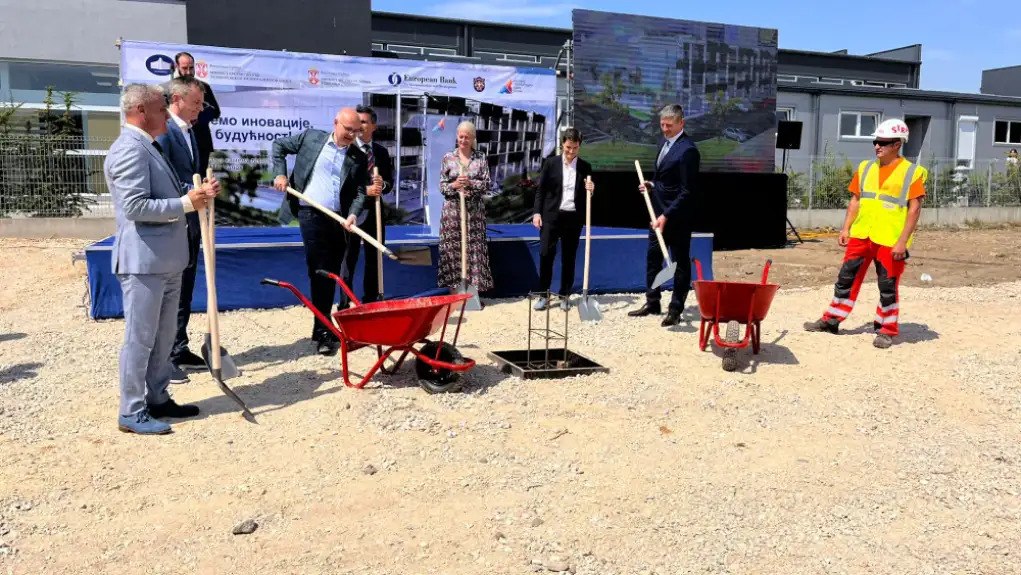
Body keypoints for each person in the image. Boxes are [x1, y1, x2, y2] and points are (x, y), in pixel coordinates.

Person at [104, 83, 219, 435]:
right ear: (140, 111)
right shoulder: (129, 149)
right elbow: (136, 207)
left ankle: (157, 397)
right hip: (144, 262)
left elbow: (159, 194)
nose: (166, 114)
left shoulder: (148, 145)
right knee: (141, 339)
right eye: (159, 109)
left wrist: (194, 195)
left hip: (166, 261)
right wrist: (187, 203)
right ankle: (131, 409)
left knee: (165, 336)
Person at [804, 118, 926, 349]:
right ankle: (832, 320)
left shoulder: (912, 172)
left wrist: (902, 242)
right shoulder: (866, 168)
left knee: (888, 285)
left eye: (883, 142)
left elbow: (915, 209)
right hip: (862, 235)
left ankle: (886, 329)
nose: (877, 146)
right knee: (845, 279)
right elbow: (856, 200)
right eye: (875, 141)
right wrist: (846, 228)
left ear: (897, 144)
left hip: (891, 240)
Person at [272, 108, 379, 355]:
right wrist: (280, 172)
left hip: (339, 219)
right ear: (335, 123)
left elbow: (361, 192)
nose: (351, 135)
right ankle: (323, 331)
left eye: (356, 131)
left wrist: (352, 214)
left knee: (332, 273)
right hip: (311, 214)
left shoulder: (357, 157)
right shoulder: (311, 138)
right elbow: (279, 146)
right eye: (348, 129)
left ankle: (324, 326)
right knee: (320, 272)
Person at [154, 76, 208, 384]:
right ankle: (166, 358)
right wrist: (192, 190)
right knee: (171, 289)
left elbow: (191, 171)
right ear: (177, 100)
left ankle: (179, 346)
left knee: (185, 286)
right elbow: (163, 177)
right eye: (196, 102)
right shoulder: (165, 132)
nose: (200, 109)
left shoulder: (190, 131)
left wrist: (203, 188)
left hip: (191, 222)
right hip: (174, 221)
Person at [628, 104, 700, 327]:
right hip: (657, 214)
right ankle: (653, 301)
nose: (665, 129)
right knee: (653, 259)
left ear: (681, 123)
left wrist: (666, 215)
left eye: (669, 125)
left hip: (677, 218)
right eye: (662, 125)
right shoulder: (663, 143)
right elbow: (664, 179)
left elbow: (687, 190)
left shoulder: (688, 151)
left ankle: (675, 308)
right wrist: (651, 184)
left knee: (679, 264)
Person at [531, 127, 595, 311]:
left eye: (574, 148)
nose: (571, 152)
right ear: (562, 146)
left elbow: (587, 194)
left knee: (569, 258)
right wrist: (537, 213)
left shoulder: (585, 167)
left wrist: (591, 189)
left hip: (573, 218)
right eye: (568, 147)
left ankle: (565, 294)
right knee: (545, 255)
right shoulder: (551, 164)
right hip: (551, 216)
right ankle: (543, 294)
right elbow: (540, 191)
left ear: (579, 147)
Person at [437, 121, 494, 300]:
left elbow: (486, 184)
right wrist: (454, 185)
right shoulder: (448, 158)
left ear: (472, 138)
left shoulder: (480, 157)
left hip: (474, 213)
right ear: (456, 137)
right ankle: (454, 294)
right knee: (453, 251)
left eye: (467, 137)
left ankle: (472, 293)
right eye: (461, 136)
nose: (463, 140)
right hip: (453, 213)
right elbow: (442, 186)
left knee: (473, 250)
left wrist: (469, 183)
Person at [341, 104, 391, 304]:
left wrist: (382, 186)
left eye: (363, 122)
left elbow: (389, 184)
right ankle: (345, 303)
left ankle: (371, 301)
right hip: (351, 213)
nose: (360, 126)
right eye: (357, 122)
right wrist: (364, 190)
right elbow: (342, 185)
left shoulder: (381, 152)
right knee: (348, 260)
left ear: (373, 126)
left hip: (375, 213)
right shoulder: (346, 150)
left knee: (374, 259)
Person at [168, 52, 220, 175]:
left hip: (200, 140)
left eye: (191, 68)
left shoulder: (204, 87)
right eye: (185, 68)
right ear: (177, 67)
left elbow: (215, 111)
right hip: (178, 140)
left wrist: (196, 118)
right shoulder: (169, 88)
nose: (188, 72)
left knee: (201, 176)